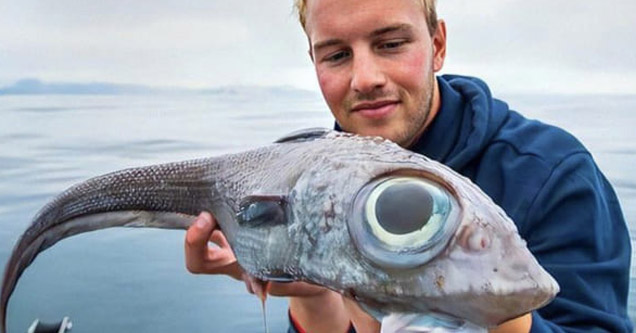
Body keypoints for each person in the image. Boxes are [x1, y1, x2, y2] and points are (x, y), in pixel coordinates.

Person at [184, 0, 633, 331]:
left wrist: (493, 309)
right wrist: (313, 292)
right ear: (314, 62)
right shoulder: (310, 187)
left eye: (391, 44)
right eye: (337, 55)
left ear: (437, 45)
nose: (365, 78)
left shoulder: (553, 173)